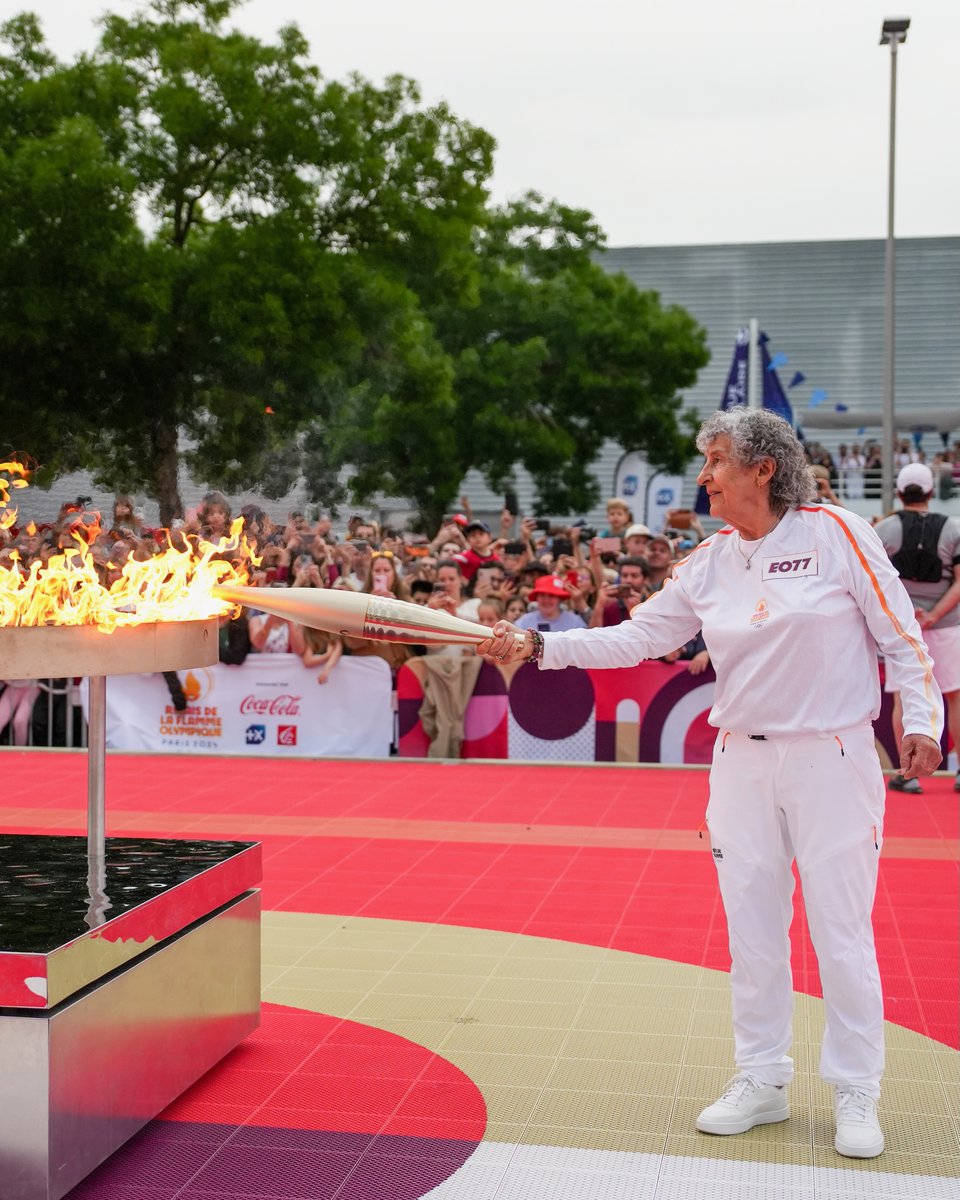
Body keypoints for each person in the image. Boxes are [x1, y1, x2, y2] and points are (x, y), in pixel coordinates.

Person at [479, 406, 943, 1161]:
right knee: (753, 931)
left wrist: (921, 721)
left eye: (717, 461)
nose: (705, 477)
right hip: (740, 763)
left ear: (763, 468)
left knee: (840, 932)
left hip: (832, 755)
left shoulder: (838, 534)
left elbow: (901, 636)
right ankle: (761, 1078)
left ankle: (857, 1088)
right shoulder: (709, 561)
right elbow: (637, 636)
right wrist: (539, 645)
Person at [874, 462, 960, 793]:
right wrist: (936, 614)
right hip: (947, 624)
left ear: (898, 492)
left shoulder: (885, 528)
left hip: (904, 626)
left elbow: (877, 581)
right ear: (930, 492)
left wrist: (911, 613)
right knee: (954, 696)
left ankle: (905, 775)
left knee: (903, 699)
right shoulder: (953, 529)